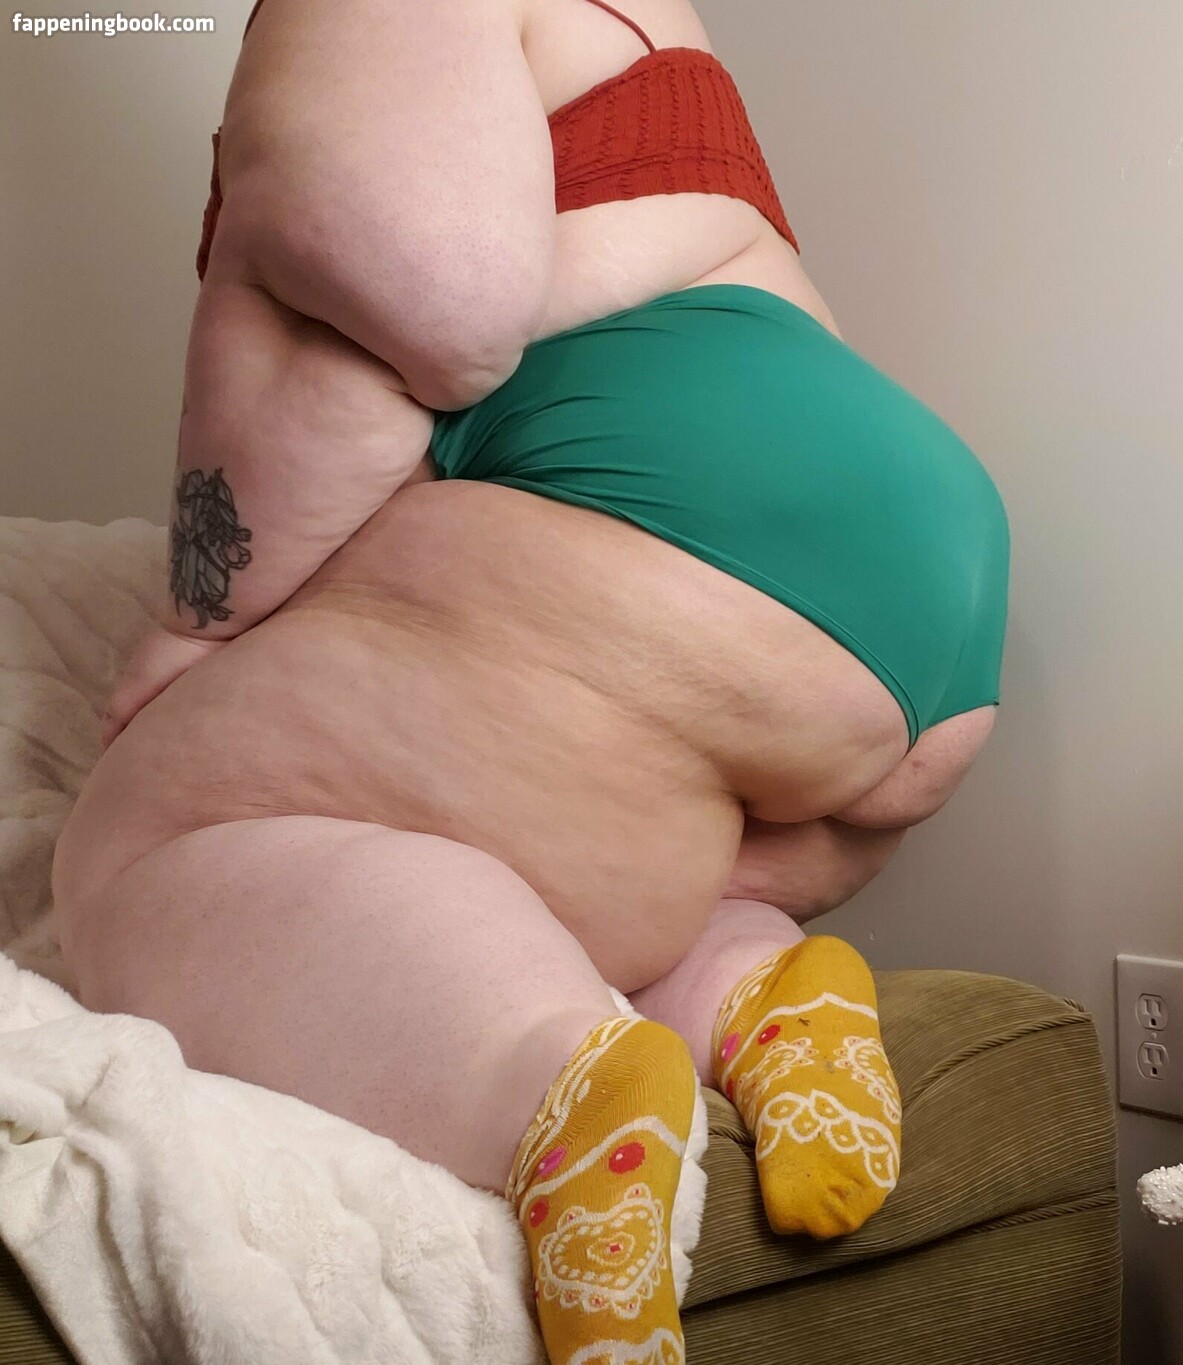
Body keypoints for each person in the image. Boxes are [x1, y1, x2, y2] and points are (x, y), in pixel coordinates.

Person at [49, 0, 1009, 1358]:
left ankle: (543, 1084)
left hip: (680, 537)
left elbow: (424, 288)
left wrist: (202, 622)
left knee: (136, 844)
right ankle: (748, 994)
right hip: (895, 589)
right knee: (536, 833)